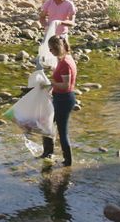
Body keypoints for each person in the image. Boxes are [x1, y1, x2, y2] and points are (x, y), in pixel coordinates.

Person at [39, 36, 77, 167]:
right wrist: (52, 87)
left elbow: (66, 86)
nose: (50, 51)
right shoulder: (64, 58)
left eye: (51, 49)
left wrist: (50, 83)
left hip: (64, 100)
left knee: (62, 132)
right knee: (46, 124)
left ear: (57, 48)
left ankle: (68, 162)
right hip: (59, 98)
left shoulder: (66, 63)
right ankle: (48, 153)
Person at [36, 0, 76, 70]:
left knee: (63, 57)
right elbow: (41, 17)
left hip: (62, 35)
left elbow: (72, 22)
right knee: (43, 56)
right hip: (50, 34)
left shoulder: (69, 4)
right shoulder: (49, 2)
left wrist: (60, 22)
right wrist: (46, 26)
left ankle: (67, 75)